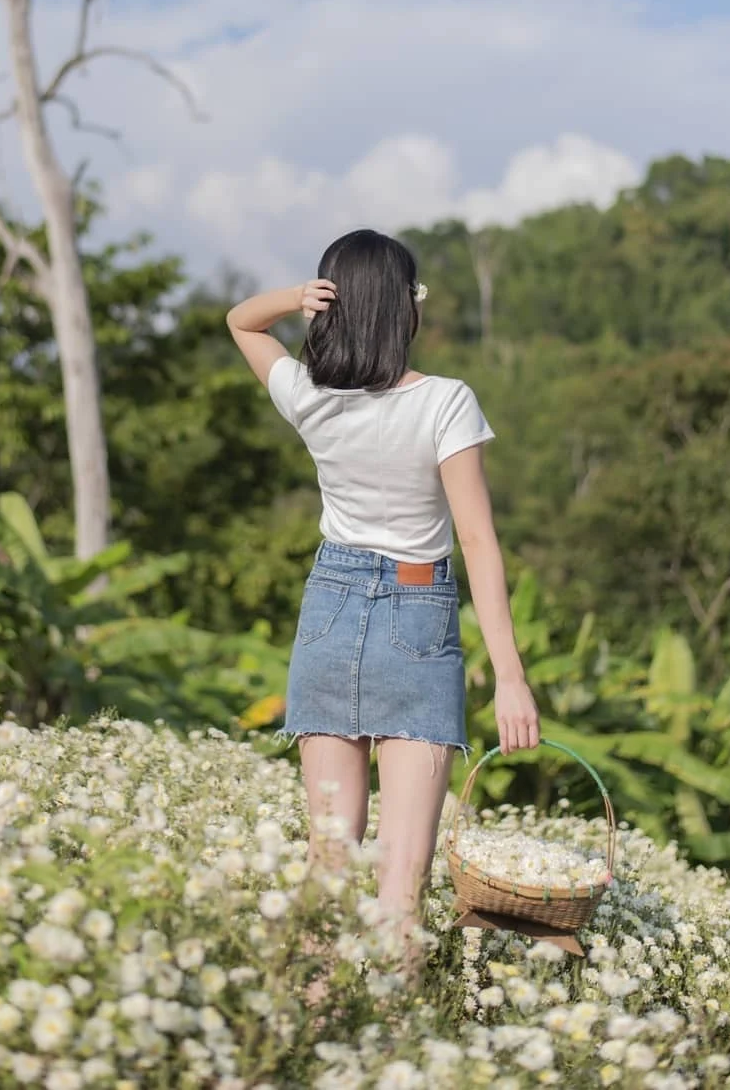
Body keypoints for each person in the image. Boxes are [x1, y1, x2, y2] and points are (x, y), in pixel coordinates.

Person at [226, 228, 540, 959]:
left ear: (332, 305)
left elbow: (242, 319)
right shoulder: (445, 403)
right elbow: (479, 543)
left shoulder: (308, 396)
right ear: (403, 309)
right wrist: (511, 678)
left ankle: (311, 1038)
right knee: (401, 884)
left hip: (329, 611)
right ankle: (390, 1054)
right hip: (419, 618)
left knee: (329, 865)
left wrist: (293, 300)